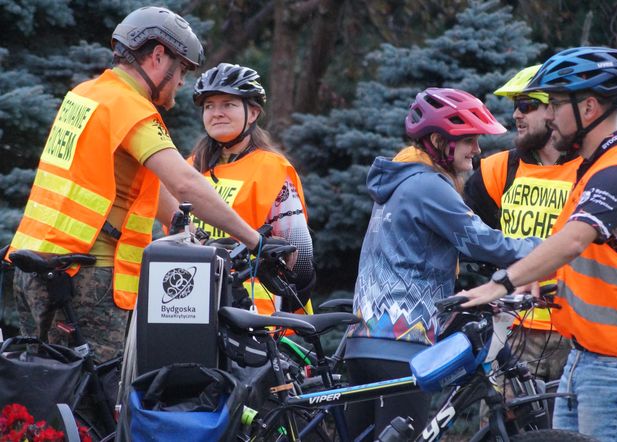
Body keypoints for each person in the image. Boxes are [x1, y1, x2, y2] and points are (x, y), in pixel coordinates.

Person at [4, 6, 265, 363]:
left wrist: (191, 230)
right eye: (182, 70)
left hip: (35, 265)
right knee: (99, 401)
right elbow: (185, 182)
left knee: (47, 395)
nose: (181, 83)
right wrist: (254, 239)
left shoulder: (87, 95)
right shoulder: (131, 107)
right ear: (159, 56)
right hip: (86, 274)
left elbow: (137, 185)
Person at [460, 47, 617, 442]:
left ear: (588, 108)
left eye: (553, 104)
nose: (547, 115)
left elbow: (572, 240)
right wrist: (541, 279)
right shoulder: (593, 170)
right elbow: (588, 254)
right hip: (587, 358)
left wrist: (500, 283)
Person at [343, 87, 542, 438]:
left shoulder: (400, 180)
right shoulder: (428, 185)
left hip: (365, 341)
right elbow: (481, 240)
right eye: (469, 140)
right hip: (402, 344)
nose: (477, 151)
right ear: (438, 140)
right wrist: (551, 250)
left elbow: (429, 244)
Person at [465, 65, 582, 383]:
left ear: (554, 109)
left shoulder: (592, 170)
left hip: (576, 331)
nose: (517, 114)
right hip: (511, 326)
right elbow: (469, 241)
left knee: (569, 433)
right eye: (515, 105)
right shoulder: (497, 169)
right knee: (503, 427)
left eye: (527, 105)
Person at [185, 62, 315, 315]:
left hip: (255, 314)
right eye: (209, 106)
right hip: (191, 303)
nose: (216, 113)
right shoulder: (189, 169)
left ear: (253, 113)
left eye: (228, 105)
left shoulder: (271, 168)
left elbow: (300, 256)